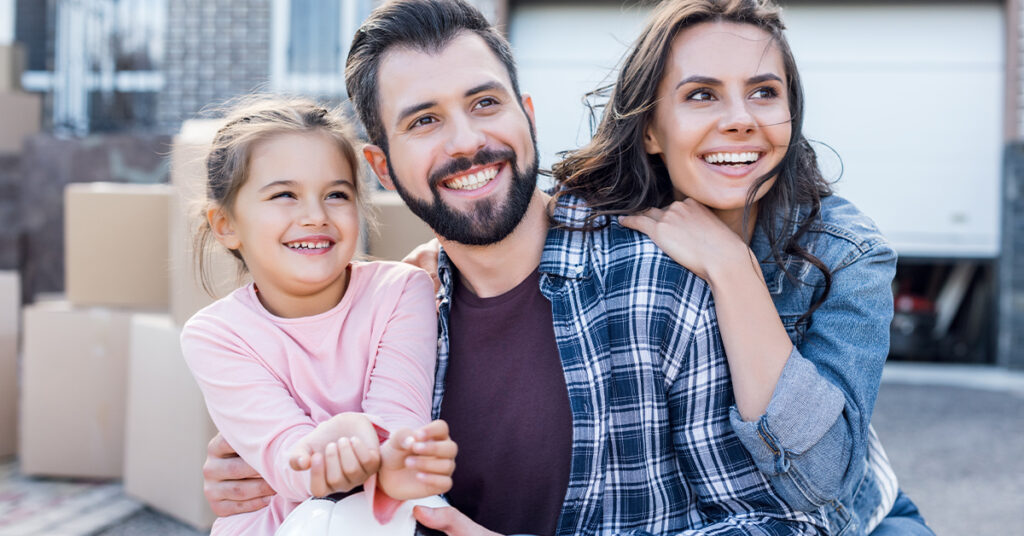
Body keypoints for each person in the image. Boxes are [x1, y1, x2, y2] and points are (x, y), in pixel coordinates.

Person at [203, 2, 827, 535]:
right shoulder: (396, 314)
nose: (466, 141)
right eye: (424, 121)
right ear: (382, 167)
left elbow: (786, 520)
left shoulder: (655, 285)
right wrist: (277, 479)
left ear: (526, 113)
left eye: (485, 102)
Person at [552, 1, 932, 535]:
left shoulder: (849, 253)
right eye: (701, 95)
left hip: (856, 520)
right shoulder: (603, 232)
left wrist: (733, 270)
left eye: (764, 92)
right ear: (650, 131)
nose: (740, 120)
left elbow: (822, 477)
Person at [180, 97, 457, 535]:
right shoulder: (216, 335)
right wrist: (352, 438)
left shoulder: (402, 291)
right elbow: (287, 460)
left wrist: (386, 447)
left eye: (336, 194)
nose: (315, 215)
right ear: (225, 224)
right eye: (284, 195)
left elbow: (401, 422)